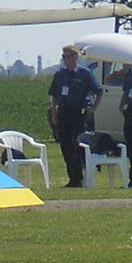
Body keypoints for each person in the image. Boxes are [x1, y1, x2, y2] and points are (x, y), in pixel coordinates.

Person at [46, 46, 103, 188]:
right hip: (63, 113)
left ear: (75, 57)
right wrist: (54, 113)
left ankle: (80, 178)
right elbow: (54, 96)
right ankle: (73, 178)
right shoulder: (60, 75)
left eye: (68, 56)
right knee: (65, 146)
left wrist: (93, 108)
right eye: (64, 56)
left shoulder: (85, 74)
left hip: (79, 113)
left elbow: (99, 91)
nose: (66, 60)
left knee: (76, 144)